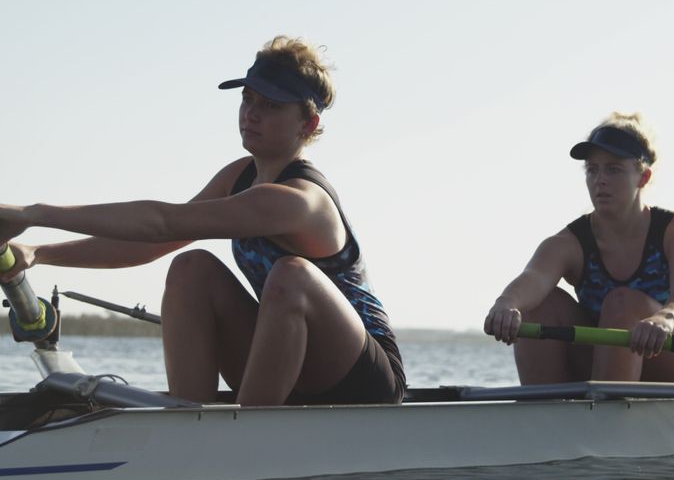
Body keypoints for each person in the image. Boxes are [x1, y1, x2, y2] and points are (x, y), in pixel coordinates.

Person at [0, 35, 405, 406]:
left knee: (291, 275)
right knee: (189, 267)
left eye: (272, 106)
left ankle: (242, 436)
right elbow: (151, 241)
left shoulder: (301, 200)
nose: (252, 113)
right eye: (248, 99)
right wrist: (39, 253)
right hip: (292, 365)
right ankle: (190, 423)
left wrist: (35, 214)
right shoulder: (237, 176)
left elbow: (164, 222)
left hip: (363, 378)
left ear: (308, 124)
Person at [484, 112, 674, 384]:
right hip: (614, 359)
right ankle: (543, 415)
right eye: (592, 169)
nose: (600, 180)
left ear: (643, 177)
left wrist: (665, 318)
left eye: (613, 169)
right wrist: (506, 304)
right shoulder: (569, 243)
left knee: (622, 303)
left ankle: (607, 409)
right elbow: (534, 278)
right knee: (538, 305)